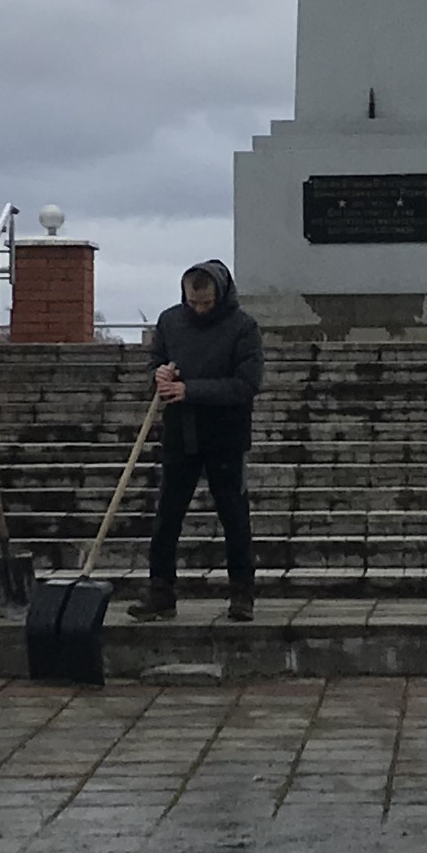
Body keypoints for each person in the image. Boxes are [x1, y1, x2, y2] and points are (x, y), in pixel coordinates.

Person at [145, 258, 266, 620]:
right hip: (180, 432)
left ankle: (242, 593)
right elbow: (154, 361)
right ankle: (160, 592)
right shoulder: (170, 321)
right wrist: (159, 374)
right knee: (167, 516)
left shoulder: (243, 327)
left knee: (234, 516)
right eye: (192, 302)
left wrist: (190, 390)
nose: (198, 309)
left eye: (206, 303)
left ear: (221, 295)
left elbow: (246, 384)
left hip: (226, 433)